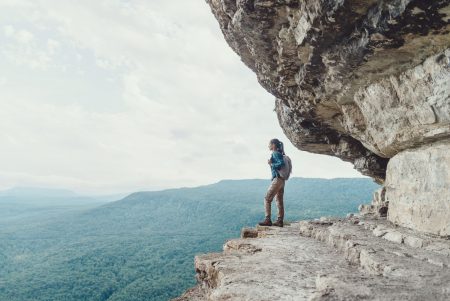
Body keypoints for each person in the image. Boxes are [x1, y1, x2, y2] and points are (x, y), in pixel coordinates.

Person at [258, 138, 286, 227]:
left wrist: (271, 164)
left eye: (269, 144)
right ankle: (280, 220)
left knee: (267, 198)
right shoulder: (280, 153)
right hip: (282, 180)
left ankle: (267, 219)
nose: (268, 146)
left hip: (277, 179)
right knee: (279, 200)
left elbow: (281, 163)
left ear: (273, 145)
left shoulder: (275, 153)